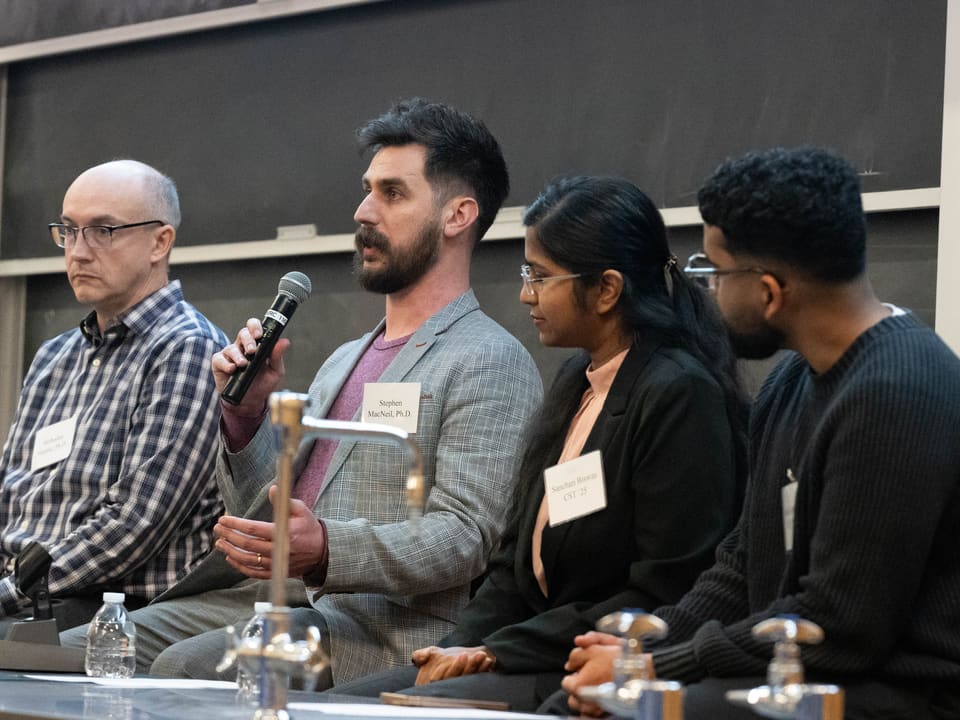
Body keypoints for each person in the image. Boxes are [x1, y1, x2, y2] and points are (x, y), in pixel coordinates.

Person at [63, 98, 543, 688]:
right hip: (271, 597)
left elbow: (468, 537)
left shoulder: (488, 358)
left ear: (458, 215)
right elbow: (258, 508)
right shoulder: (347, 357)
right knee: (78, 647)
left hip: (373, 624)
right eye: (367, 190)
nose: (363, 210)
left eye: (392, 194)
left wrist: (327, 551)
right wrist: (243, 414)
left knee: (184, 665)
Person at [555, 147, 960, 719]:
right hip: (795, 670)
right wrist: (646, 642)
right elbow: (743, 565)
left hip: (898, 692)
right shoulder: (793, 377)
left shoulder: (895, 391)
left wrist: (657, 669)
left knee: (638, 710)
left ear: (769, 293)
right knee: (576, 700)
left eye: (715, 272)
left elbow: (840, 627)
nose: (708, 292)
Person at [331, 175, 747, 711]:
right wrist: (457, 647)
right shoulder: (577, 379)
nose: (526, 293)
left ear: (607, 289)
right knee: (334, 705)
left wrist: (496, 651)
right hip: (525, 653)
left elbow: (664, 588)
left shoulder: (678, 393)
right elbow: (510, 568)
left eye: (540, 276)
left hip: (591, 665)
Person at [0, 160, 227, 630]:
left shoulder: (187, 348)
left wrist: (10, 591)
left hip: (109, 608)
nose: (78, 252)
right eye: (68, 230)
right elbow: (9, 494)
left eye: (102, 231)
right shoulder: (54, 356)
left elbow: (132, 526)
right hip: (23, 595)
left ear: (160, 242)